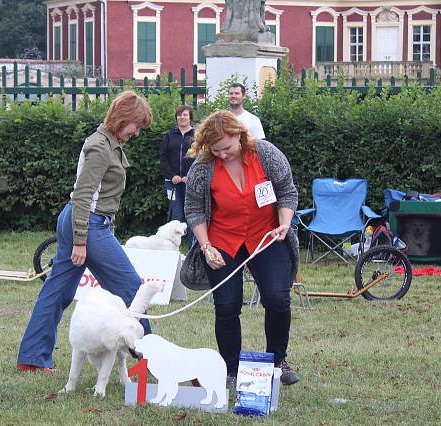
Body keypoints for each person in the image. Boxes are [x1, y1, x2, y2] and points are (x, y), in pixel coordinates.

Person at [16, 91, 153, 373]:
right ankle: (152, 358)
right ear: (123, 118)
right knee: (132, 288)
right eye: (136, 126)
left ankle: (32, 358)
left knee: (57, 291)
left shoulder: (107, 143)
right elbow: (84, 195)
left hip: (83, 222)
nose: (137, 133)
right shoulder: (100, 147)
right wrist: (81, 241)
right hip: (87, 224)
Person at [184, 110, 299, 386]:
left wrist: (284, 223)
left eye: (226, 148)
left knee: (277, 298)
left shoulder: (266, 154)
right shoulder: (202, 166)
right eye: (216, 150)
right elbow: (194, 209)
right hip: (223, 240)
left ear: (238, 134)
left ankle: (277, 361)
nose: (222, 155)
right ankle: (230, 369)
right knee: (226, 304)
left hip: (267, 236)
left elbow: (287, 191)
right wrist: (206, 245)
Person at [159, 104, 195, 246]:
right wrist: (172, 175)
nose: (182, 117)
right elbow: (163, 157)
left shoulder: (196, 135)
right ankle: (174, 245)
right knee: (177, 214)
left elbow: (201, 158)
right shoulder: (169, 135)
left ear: (190, 117)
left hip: (190, 181)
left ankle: (193, 245)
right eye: (179, 115)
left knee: (192, 213)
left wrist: (190, 176)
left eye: (185, 114)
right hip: (172, 182)